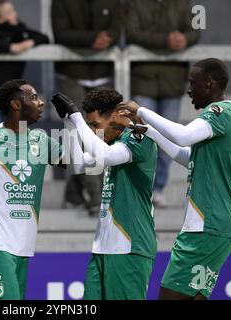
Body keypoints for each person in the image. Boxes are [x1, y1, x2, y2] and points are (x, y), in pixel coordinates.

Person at [122, 58, 231, 300]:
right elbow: (188, 156)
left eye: (192, 82)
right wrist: (150, 132)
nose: (188, 89)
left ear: (209, 83)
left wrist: (141, 111)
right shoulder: (230, 115)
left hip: (206, 225)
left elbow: (184, 136)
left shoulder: (219, 113)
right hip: (218, 224)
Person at [51, 88, 157, 300]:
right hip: (103, 247)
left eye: (96, 125)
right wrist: (69, 123)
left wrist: (77, 117)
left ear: (118, 115)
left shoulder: (139, 138)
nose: (92, 131)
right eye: (89, 126)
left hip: (129, 246)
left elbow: (105, 155)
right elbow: (77, 165)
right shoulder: (111, 143)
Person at [0, 79, 64, 300]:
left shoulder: (41, 140)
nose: (41, 103)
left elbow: (84, 162)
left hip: (23, 243)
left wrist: (73, 120)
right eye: (33, 97)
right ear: (16, 104)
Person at [124, 0, 200, 207]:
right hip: (143, 79)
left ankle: (158, 189)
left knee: (170, 136)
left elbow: (196, 31)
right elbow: (131, 32)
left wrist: (185, 38)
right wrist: (165, 40)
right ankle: (142, 187)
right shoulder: (134, 4)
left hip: (173, 81)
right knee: (143, 137)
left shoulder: (184, 4)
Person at [51, 0, 123, 216]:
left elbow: (119, 28)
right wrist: (93, 39)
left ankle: (73, 193)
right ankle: (96, 197)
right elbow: (61, 33)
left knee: (98, 137)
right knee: (81, 138)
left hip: (102, 72)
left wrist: (108, 37)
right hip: (71, 73)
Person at [0, 0, 49, 124]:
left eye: (13, 10)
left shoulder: (19, 30)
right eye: (9, 12)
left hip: (14, 95)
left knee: (17, 132)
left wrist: (29, 42)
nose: (15, 14)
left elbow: (43, 38)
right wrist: (11, 48)